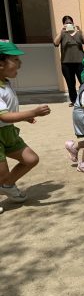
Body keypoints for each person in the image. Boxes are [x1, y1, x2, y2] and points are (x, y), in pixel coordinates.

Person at [0, 41, 51, 208]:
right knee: (2, 173)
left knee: (31, 159)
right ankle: (4, 183)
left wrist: (23, 118)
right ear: (0, 64)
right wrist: (33, 113)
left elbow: (8, 113)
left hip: (8, 132)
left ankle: (7, 186)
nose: (20, 63)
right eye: (15, 59)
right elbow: (5, 117)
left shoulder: (6, 82)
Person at [53, 15, 84, 107]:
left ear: (73, 23)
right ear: (63, 24)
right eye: (66, 23)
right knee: (70, 84)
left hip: (80, 62)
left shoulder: (78, 33)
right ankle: (74, 101)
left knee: (83, 82)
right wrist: (61, 32)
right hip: (66, 63)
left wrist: (80, 30)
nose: (69, 24)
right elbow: (55, 43)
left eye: (70, 22)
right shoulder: (62, 34)